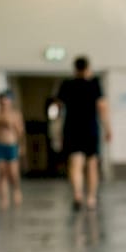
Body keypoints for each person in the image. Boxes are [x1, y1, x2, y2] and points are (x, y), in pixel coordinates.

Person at [51, 56, 110, 210]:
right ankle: (91, 198)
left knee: (75, 163)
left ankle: (78, 194)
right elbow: (102, 107)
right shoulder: (94, 84)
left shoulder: (67, 84)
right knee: (91, 164)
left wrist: (55, 126)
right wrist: (107, 128)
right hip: (90, 128)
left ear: (75, 68)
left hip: (72, 128)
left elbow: (56, 108)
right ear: (88, 67)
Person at [0, 90, 25, 208]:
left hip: (11, 145)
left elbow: (20, 132)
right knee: (1, 173)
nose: (3, 103)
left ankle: (16, 189)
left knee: (13, 173)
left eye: (5, 101)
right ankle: (3, 199)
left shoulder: (15, 115)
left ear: (10, 102)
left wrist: (21, 145)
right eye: (1, 101)